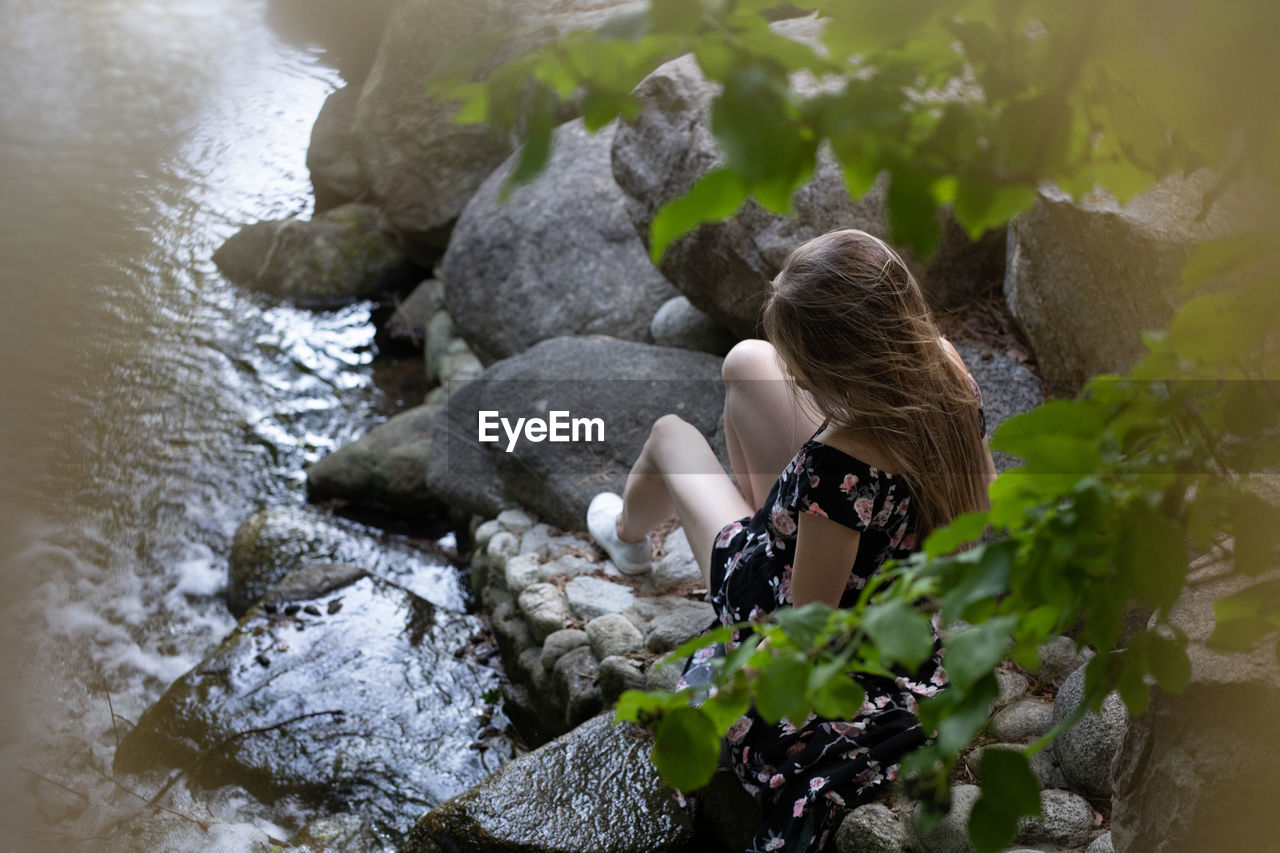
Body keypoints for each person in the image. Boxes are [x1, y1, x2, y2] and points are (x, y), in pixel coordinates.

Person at [586, 228, 996, 852]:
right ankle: (770, 518)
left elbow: (805, 632)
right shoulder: (944, 369)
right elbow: (977, 513)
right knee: (745, 362)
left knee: (672, 435)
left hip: (778, 589)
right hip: (887, 572)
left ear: (829, 368)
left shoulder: (838, 465)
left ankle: (627, 539)